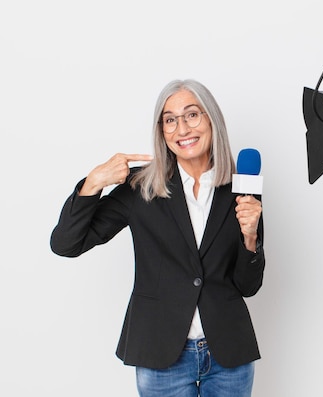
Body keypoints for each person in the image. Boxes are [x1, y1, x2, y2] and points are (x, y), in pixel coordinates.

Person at [50, 79, 265, 397]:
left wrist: (250, 238)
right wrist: (94, 182)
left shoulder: (241, 186)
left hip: (229, 355)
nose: (182, 128)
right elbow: (66, 243)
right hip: (161, 353)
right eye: (170, 119)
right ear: (161, 131)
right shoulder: (141, 188)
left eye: (192, 115)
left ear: (211, 120)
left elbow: (249, 285)